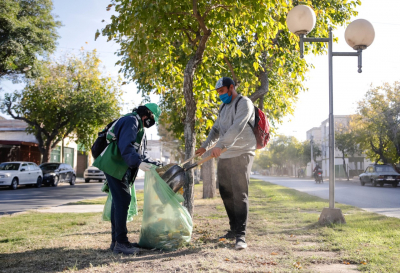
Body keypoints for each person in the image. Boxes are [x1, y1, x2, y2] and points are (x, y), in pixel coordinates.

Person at [195, 77, 256, 250]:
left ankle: (241, 236)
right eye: (218, 93)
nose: (220, 95)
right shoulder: (223, 106)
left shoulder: (244, 103)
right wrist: (205, 146)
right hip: (225, 154)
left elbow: (236, 127)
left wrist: (220, 145)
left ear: (231, 88)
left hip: (242, 152)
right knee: (225, 192)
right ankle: (233, 229)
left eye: (222, 91)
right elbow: (216, 128)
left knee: (239, 193)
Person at [93, 103, 162, 255]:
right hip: (114, 164)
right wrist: (138, 163)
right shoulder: (132, 121)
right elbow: (126, 146)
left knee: (119, 202)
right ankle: (121, 243)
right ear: (148, 115)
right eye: (153, 118)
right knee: (122, 200)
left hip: (117, 165)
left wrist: (155, 163)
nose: (152, 123)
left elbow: (139, 152)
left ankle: (116, 242)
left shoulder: (138, 125)